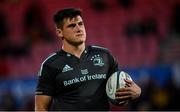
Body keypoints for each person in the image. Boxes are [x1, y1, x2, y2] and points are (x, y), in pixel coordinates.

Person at [35, 8, 141, 111]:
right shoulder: (50, 65)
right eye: (72, 26)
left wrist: (137, 91)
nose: (78, 28)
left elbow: (119, 89)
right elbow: (40, 108)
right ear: (59, 32)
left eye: (80, 24)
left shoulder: (104, 55)